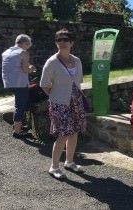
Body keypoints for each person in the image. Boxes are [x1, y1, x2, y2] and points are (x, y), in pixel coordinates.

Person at [40, 29, 86, 179]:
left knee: (74, 132)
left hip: (76, 102)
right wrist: (55, 96)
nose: (62, 42)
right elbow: (44, 84)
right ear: (56, 43)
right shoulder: (52, 62)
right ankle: (54, 167)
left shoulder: (77, 61)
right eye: (59, 40)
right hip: (59, 104)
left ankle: (70, 161)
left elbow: (79, 81)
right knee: (62, 135)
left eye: (66, 39)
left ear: (72, 43)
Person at [1, 34, 36, 138]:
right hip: (20, 83)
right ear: (25, 43)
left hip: (8, 83)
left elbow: (15, 65)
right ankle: (17, 131)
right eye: (27, 46)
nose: (27, 48)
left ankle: (18, 124)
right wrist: (32, 69)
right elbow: (25, 70)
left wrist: (28, 66)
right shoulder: (23, 52)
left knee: (23, 102)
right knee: (19, 106)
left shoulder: (6, 52)